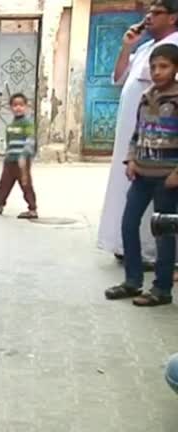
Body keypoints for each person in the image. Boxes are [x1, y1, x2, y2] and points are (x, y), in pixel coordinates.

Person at [98, 0, 178, 266]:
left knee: (159, 205)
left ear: (173, 18)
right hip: (136, 138)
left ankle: (154, 256)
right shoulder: (145, 47)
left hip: (162, 143)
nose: (149, 17)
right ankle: (128, 248)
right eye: (149, 12)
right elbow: (119, 77)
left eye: (157, 13)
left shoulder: (174, 46)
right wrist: (127, 46)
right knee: (127, 195)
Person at [105, 43, 178, 307]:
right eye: (154, 66)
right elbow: (138, 133)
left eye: (164, 66)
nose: (157, 72)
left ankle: (161, 288)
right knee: (128, 224)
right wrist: (131, 159)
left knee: (164, 233)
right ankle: (132, 281)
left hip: (167, 179)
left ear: (175, 68)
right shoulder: (146, 96)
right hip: (142, 175)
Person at [0, 93, 38, 219]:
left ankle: (32, 209)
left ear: (26, 107)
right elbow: (8, 143)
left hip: (22, 161)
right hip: (10, 161)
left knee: (26, 184)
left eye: (21, 105)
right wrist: (6, 157)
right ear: (11, 108)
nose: (18, 108)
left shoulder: (27, 124)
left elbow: (30, 140)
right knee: (4, 184)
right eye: (15, 105)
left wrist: (25, 155)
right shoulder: (10, 126)